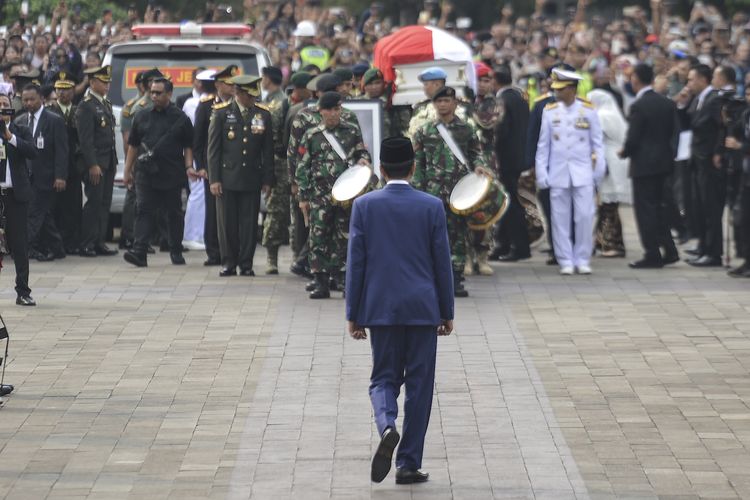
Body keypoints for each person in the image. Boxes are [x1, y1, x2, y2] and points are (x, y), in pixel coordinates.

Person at [345, 136, 454, 485]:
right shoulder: (432, 205)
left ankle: (387, 424)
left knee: (383, 378)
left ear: (380, 169)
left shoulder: (364, 205)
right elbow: (442, 263)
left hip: (382, 307)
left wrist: (354, 312)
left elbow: (356, 263)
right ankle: (408, 463)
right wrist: (446, 309)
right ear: (413, 166)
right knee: (421, 386)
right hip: (423, 307)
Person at [412, 86, 489, 297]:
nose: (443, 105)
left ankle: (456, 278)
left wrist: (479, 166)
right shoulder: (424, 131)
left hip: (460, 191)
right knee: (433, 236)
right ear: (434, 104)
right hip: (433, 192)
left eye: (447, 101)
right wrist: (418, 191)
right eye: (439, 102)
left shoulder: (466, 130)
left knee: (457, 234)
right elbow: (418, 164)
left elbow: (476, 154)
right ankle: (434, 278)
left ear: (455, 104)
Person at [296, 91, 371, 299]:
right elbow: (303, 168)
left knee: (345, 236)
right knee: (318, 236)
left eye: (337, 109)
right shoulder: (312, 135)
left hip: (347, 193)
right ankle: (320, 281)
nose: (333, 114)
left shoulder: (351, 130)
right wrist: (303, 197)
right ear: (321, 111)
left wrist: (364, 159)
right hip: (320, 195)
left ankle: (344, 279)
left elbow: (361, 152)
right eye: (329, 110)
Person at [535, 68, 605, 275]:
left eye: (561, 89)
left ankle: (582, 258)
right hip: (558, 172)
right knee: (559, 218)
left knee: (584, 216)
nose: (556, 92)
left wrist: (598, 172)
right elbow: (543, 146)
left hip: (582, 172)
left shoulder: (588, 111)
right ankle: (565, 259)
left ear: (572, 89)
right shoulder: (550, 111)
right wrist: (542, 173)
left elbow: (597, 145)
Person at [123, 77, 195, 268]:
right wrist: (127, 170)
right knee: (144, 210)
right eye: (152, 92)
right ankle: (139, 251)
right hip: (146, 174)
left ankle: (176, 250)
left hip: (172, 174)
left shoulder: (181, 118)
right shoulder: (141, 116)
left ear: (169, 94)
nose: (153, 96)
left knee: (173, 214)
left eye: (158, 93)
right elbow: (133, 145)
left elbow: (188, 145)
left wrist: (189, 166)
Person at [208, 75, 274, 277]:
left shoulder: (263, 114)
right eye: (249, 95)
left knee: (249, 224)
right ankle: (228, 262)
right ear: (239, 93)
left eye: (255, 95)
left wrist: (268, 179)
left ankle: (246, 263)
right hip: (227, 177)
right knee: (227, 223)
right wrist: (214, 179)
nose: (253, 99)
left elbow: (267, 150)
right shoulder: (221, 114)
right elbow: (214, 150)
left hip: (251, 177)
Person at [618, 64, 680, 268]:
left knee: (645, 210)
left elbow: (633, 137)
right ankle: (669, 249)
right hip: (663, 164)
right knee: (661, 208)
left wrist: (624, 151)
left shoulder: (639, 105)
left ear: (636, 79)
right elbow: (674, 133)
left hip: (643, 165)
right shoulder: (667, 103)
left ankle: (652, 253)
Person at [16, 83, 68, 262]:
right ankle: (56, 247)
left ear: (41, 99)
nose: (28, 103)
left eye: (32, 99)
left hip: (46, 176)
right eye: (25, 100)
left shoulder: (54, 120)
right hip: (26, 177)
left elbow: (62, 150)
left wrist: (60, 175)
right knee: (42, 214)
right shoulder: (20, 121)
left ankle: (26, 247)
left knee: (37, 213)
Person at [193, 64, 237, 267]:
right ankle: (214, 252)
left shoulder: (239, 104)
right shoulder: (206, 105)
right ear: (219, 84)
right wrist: (201, 165)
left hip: (233, 166)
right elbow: (198, 140)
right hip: (212, 166)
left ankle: (230, 249)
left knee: (230, 210)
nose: (233, 87)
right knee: (212, 211)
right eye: (229, 83)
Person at [74, 65, 118, 258]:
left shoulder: (105, 103)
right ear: (92, 83)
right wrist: (92, 164)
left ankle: (99, 241)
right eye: (103, 81)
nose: (107, 85)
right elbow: (85, 140)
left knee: (104, 203)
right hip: (96, 164)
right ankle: (86, 243)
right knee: (94, 203)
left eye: (108, 82)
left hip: (108, 162)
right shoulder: (86, 105)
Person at [118, 68, 163, 251]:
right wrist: (131, 165)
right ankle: (129, 236)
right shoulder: (137, 107)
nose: (154, 86)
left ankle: (145, 237)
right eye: (151, 82)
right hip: (140, 158)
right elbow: (130, 140)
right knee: (134, 199)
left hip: (154, 159)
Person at [0, 92, 38, 306]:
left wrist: (10, 137)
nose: (2, 109)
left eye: (5, 105)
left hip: (15, 196)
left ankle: (23, 290)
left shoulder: (20, 130)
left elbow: (32, 152)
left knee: (20, 245)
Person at [685, 64, 724, 267]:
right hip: (697, 160)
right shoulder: (699, 99)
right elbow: (689, 120)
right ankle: (703, 246)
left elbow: (720, 127)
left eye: (691, 80)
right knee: (699, 206)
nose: (689, 84)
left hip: (709, 160)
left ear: (702, 79)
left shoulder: (714, 99)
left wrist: (718, 151)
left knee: (711, 208)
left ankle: (714, 252)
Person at [491, 65, 531, 263]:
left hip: (507, 158)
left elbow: (501, 130)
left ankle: (519, 246)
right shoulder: (520, 96)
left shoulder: (503, 100)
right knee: (509, 201)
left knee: (511, 203)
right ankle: (504, 243)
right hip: (519, 156)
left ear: (495, 81)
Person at [588, 89, 630, 259]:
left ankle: (613, 244)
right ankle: (601, 241)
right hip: (615, 162)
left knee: (607, 205)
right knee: (607, 206)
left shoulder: (602, 115)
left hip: (608, 163)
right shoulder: (613, 114)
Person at [47, 71, 83, 256]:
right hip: (56, 167)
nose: (63, 93)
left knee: (74, 206)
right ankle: (57, 242)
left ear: (73, 91)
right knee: (57, 206)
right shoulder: (50, 112)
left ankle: (72, 242)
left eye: (67, 89)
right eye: (59, 90)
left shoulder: (79, 111)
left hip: (75, 167)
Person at [261, 66, 290, 275]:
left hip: (277, 163)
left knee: (275, 212)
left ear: (268, 79)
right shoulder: (280, 101)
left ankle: (272, 259)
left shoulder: (275, 104)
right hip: (283, 162)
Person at [406, 67, 473, 139]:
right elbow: (413, 133)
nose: (424, 88)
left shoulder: (461, 105)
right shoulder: (420, 107)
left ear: (436, 84)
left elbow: (471, 130)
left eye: (426, 84)